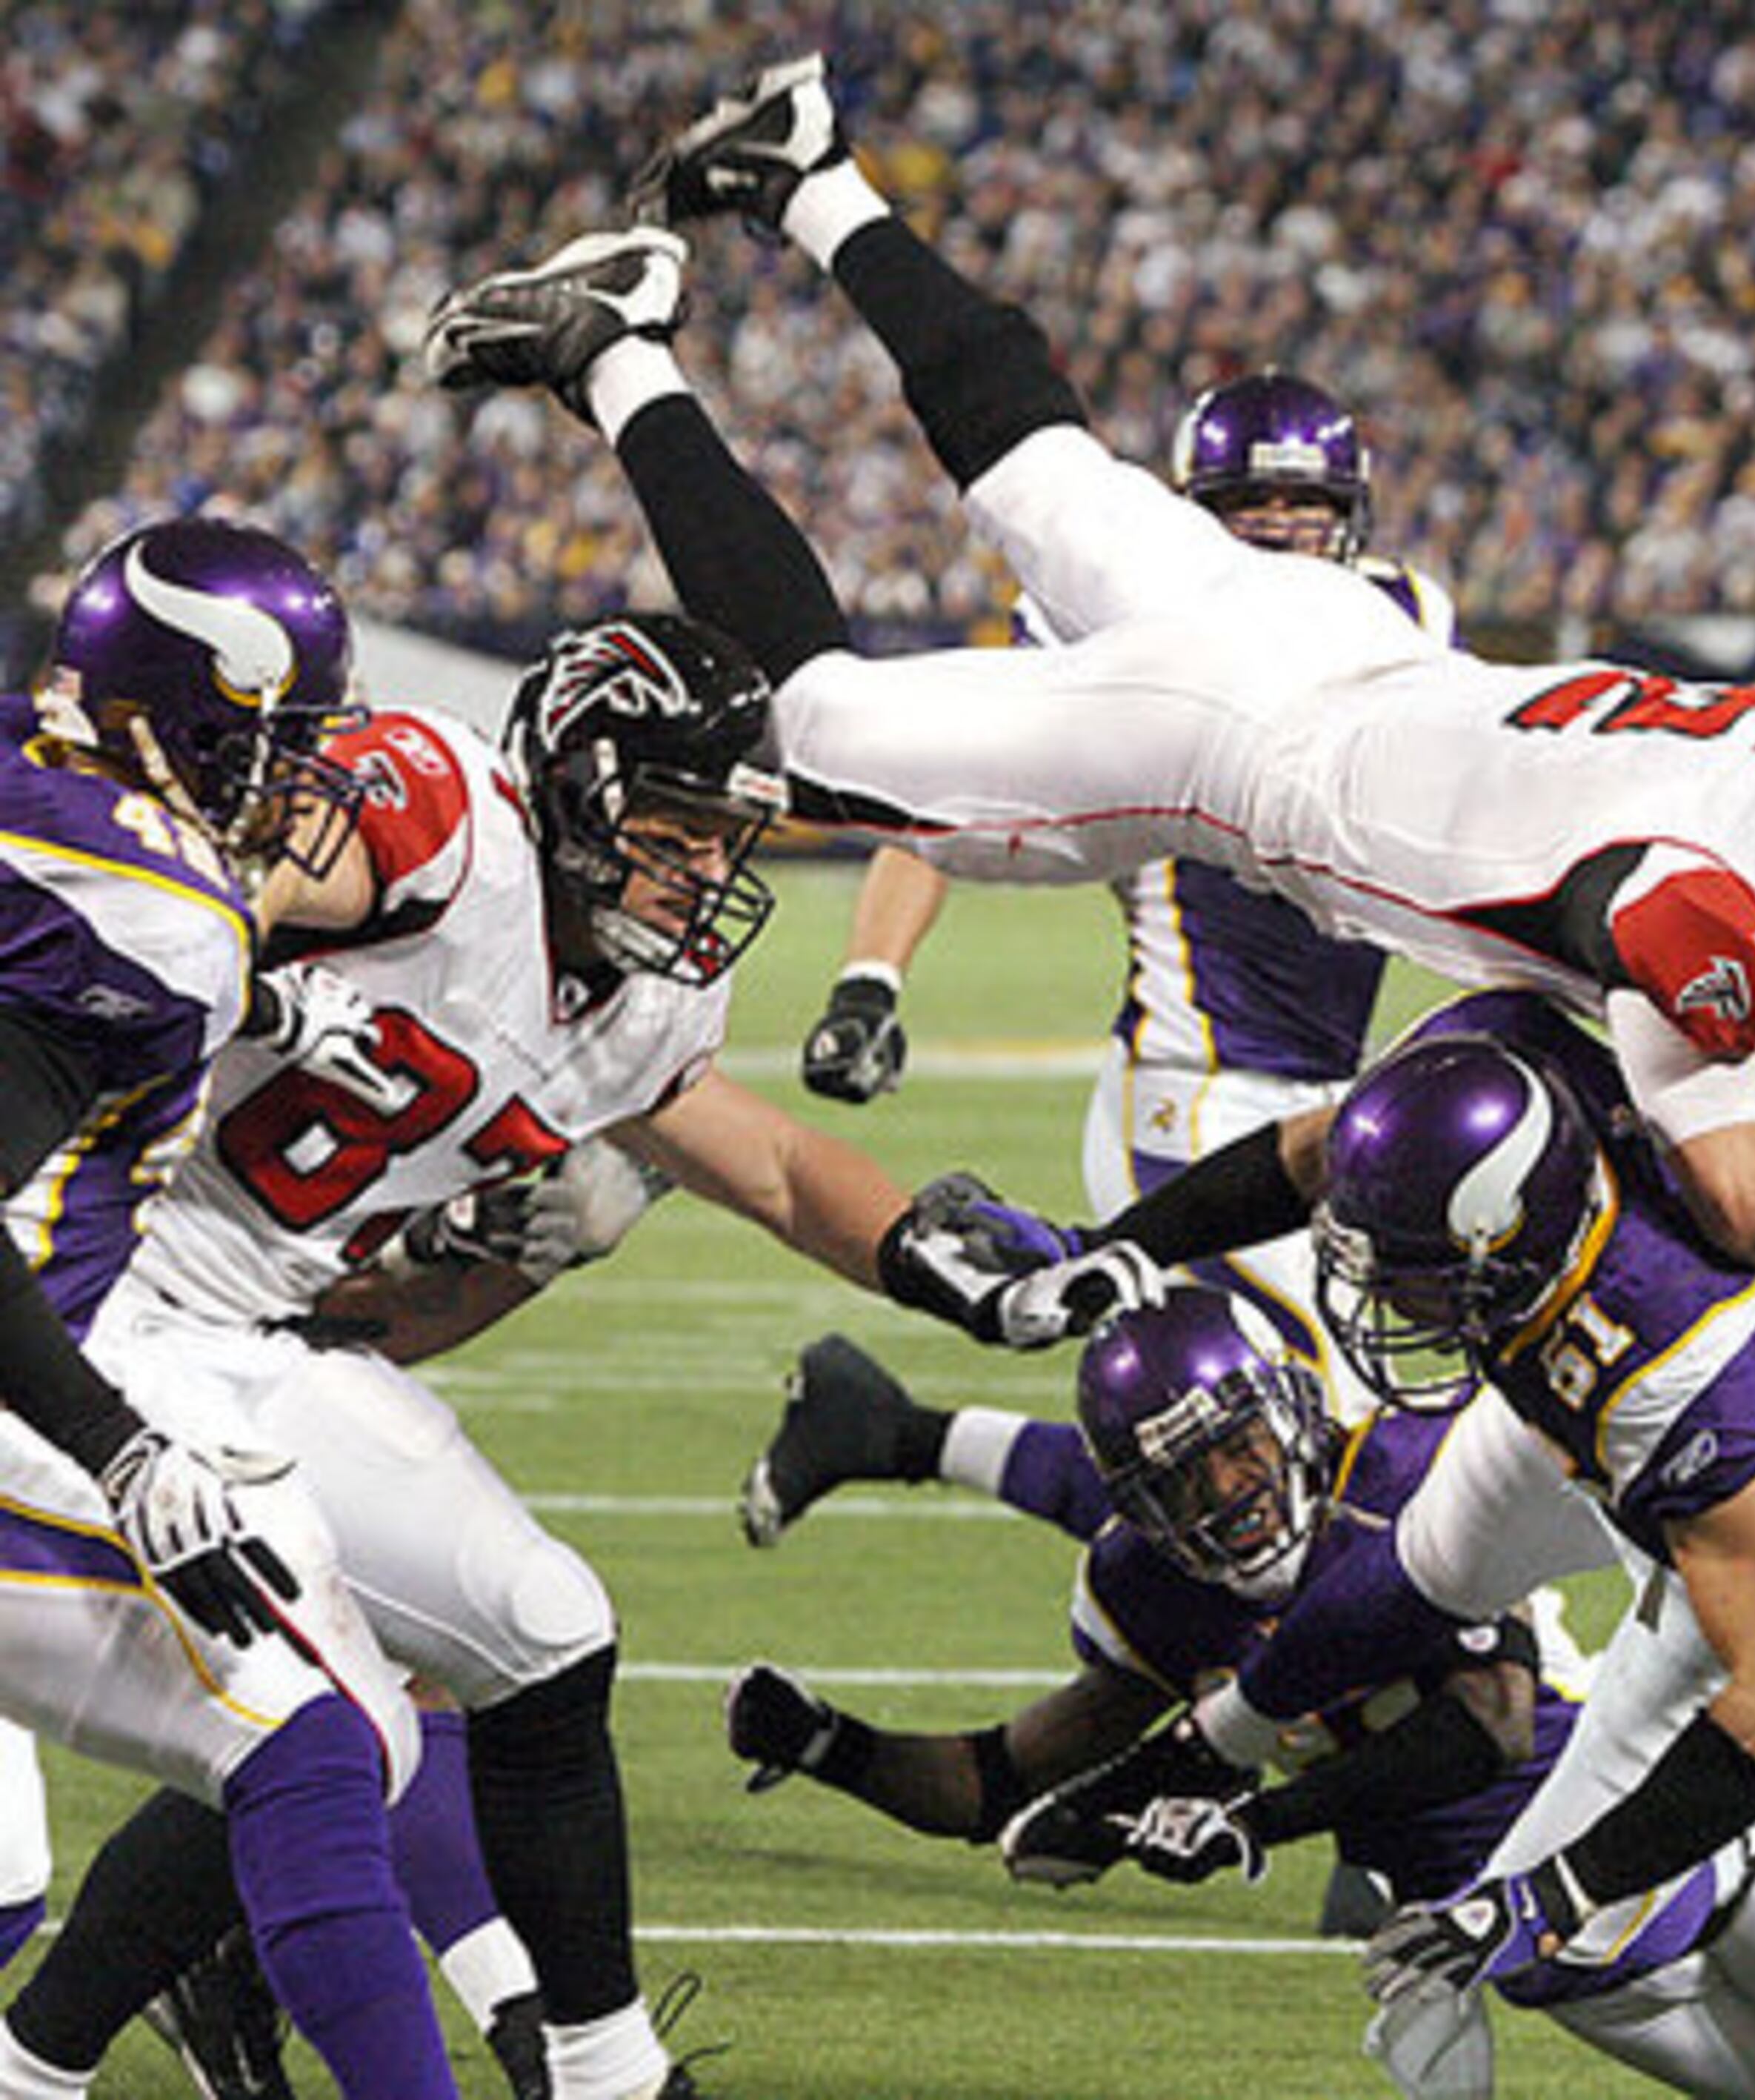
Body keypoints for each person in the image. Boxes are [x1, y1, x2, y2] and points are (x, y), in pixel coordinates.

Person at [423, 51, 1755, 1383]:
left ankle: (806, 171)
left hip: (1322, 651)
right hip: (1239, 744)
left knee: (1036, 463)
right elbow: (1751, 1195)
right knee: (811, 722)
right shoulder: (1705, 907)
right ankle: (622, 349)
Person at [0, 608, 1142, 2100]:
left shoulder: (650, 995)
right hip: (102, 1286)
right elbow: (224, 877)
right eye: (674, 828)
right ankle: (60, 2050)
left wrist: (951, 1276)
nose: (703, 872)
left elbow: (774, 1170)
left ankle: (602, 2066)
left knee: (539, 1623)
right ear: (574, 785)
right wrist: (265, 982)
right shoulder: (439, 814)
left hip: (257, 1326)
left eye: (725, 838)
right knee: (312, 1715)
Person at [728, 1293, 1755, 2100]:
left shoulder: (1406, 1491)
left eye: (1238, 1448)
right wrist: (829, 1746)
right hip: (1537, 1956)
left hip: (1664, 1843)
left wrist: (1254, 1816)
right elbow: (1009, 1779)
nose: (1230, 1493)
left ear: (1287, 1413)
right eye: (1188, 1478)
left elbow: (1488, 1725)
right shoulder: (1153, 1589)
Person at [755, 368, 1452, 1529]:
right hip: (1194, 1099)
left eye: (1307, 505)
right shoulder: (1118, 623)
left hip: (1330, 1100)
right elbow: (956, 794)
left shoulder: (1406, 613)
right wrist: (870, 979)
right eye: (1249, 506)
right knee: (1299, 1452)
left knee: (1298, 1443)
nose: (1281, 529)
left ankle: (885, 1428)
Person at [0, 517, 460, 2096]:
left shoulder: (35, 768)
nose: (294, 781)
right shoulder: (151, 911)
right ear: (176, 719)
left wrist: (262, 1001)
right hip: (27, 1384)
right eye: (273, 741)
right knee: (305, 1727)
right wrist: (120, 1449)